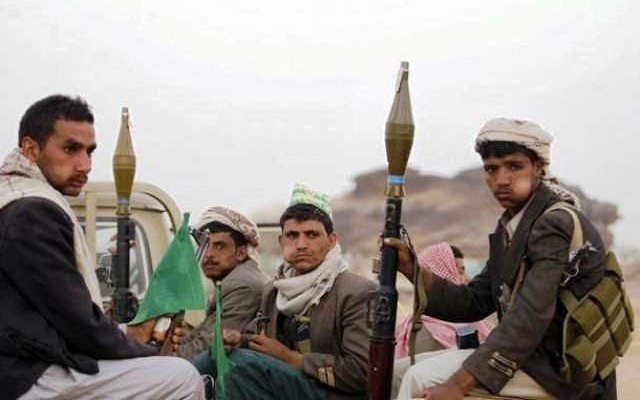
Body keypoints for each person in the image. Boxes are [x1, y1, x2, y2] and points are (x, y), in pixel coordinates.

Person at [389, 118, 614, 399]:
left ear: (539, 168)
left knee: (418, 378)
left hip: (560, 367)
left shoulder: (554, 223)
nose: (501, 180)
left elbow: (529, 318)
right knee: (398, 372)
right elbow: (474, 301)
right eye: (491, 169)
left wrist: (458, 384)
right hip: (529, 356)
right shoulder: (512, 226)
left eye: (514, 167)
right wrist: (412, 269)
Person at [0, 95, 203, 400]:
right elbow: (78, 325)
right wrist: (146, 352)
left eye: (89, 152)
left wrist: (130, 335)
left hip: (25, 365)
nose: (85, 165)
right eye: (70, 149)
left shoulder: (16, 200)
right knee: (181, 377)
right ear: (31, 149)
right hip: (24, 375)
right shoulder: (30, 211)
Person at [195, 184, 377, 399]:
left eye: (311, 234)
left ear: (331, 241)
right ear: (281, 242)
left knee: (240, 365)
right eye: (292, 235)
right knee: (210, 358)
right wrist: (238, 339)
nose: (301, 244)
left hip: (331, 393)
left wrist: (291, 358)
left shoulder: (355, 292)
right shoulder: (275, 289)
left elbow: (362, 372)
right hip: (286, 385)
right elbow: (258, 338)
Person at [177, 206, 268, 361]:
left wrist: (161, 359)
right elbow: (198, 337)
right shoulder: (229, 282)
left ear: (241, 253)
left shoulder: (243, 286)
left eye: (219, 246)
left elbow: (205, 348)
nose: (208, 255)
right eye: (204, 245)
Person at [394, 243, 493, 358]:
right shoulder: (427, 332)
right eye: (460, 271)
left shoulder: (473, 322)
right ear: (438, 273)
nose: (467, 279)